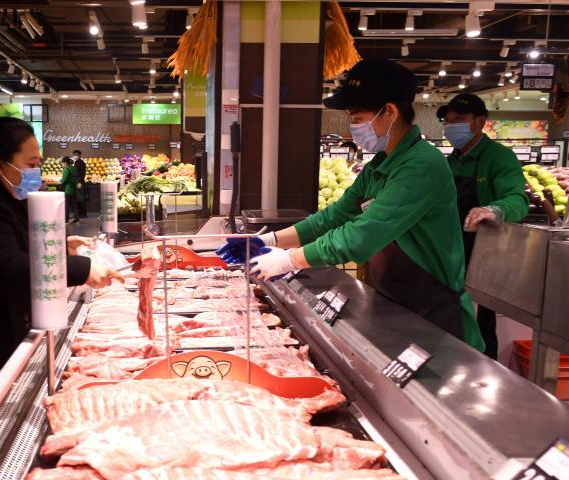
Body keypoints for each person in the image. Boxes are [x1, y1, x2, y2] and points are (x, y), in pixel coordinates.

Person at [218, 58, 483, 351]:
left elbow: (361, 236)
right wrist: (269, 239)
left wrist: (288, 259)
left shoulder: (421, 166)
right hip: (396, 303)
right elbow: (334, 217)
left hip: (435, 313)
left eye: (357, 118)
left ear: (390, 112)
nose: (352, 126)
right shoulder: (381, 164)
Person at [0, 117, 123, 421]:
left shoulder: (4, 196)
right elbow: (4, 261)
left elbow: (16, 244)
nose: (36, 172)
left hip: (5, 322)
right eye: (30, 163)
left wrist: (62, 244)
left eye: (39, 163)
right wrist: (80, 268)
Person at [437, 93, 529, 359]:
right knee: (449, 322)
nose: (451, 126)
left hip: (482, 257)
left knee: (480, 325)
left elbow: (517, 199)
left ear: (481, 122)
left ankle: (483, 380)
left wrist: (494, 210)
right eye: (448, 120)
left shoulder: (499, 158)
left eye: (460, 119)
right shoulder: (448, 161)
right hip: (449, 254)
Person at [60, 155, 79, 222]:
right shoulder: (73, 168)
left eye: (62, 163)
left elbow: (64, 180)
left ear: (65, 163)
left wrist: (61, 180)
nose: (62, 165)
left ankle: (66, 219)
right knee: (74, 205)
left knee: (66, 205)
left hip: (67, 189)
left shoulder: (66, 169)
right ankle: (77, 219)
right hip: (73, 189)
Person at [73, 149, 89, 218]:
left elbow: (82, 174)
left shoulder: (81, 163)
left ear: (79, 155)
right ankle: (80, 213)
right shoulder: (76, 162)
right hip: (77, 182)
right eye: (74, 155)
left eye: (76, 155)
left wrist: (79, 182)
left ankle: (83, 214)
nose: (75, 156)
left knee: (81, 199)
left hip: (80, 183)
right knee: (78, 199)